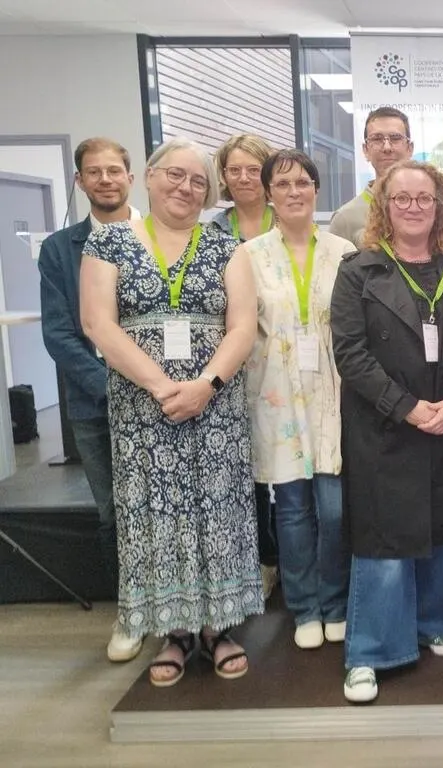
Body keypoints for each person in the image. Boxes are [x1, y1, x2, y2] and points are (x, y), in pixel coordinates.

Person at [80, 137, 262, 687]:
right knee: (156, 517)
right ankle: (174, 633)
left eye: (198, 180)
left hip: (215, 409)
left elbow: (242, 327)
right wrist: (162, 386)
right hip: (143, 412)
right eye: (175, 175)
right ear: (150, 177)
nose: (186, 187)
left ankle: (217, 627)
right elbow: (98, 323)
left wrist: (205, 385)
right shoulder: (109, 243)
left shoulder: (226, 247)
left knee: (218, 512)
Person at [331, 160, 443, 704]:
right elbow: (351, 354)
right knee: (384, 539)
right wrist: (407, 407)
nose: (414, 207)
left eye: (424, 198)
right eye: (402, 198)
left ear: (440, 206)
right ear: (384, 208)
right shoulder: (358, 272)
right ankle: (371, 651)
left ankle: (437, 622)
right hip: (383, 426)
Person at [245, 149, 356, 650]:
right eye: (283, 183)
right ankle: (305, 607)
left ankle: (336, 603)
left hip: (333, 394)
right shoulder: (248, 257)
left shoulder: (343, 251)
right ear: (269, 193)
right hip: (278, 395)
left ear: (316, 190)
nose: (294, 191)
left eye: (303, 182)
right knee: (291, 510)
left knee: (333, 510)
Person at [38, 137, 142, 663]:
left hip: (166, 401)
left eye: (114, 170)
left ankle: (179, 607)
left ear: (130, 176)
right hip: (96, 404)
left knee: (169, 507)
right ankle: (131, 613)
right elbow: (60, 334)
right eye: (94, 172)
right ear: (79, 181)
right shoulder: (60, 249)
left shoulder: (159, 235)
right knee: (114, 513)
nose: (105, 180)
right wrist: (112, 387)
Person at [209, 132, 279, 601]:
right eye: (234, 170)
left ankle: (284, 558)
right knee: (246, 467)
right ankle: (259, 559)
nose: (244, 178)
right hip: (231, 362)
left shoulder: (290, 218)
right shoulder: (212, 232)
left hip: (283, 360)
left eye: (254, 169)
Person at [328, 107, 413, 246]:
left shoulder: (430, 209)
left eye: (395, 138)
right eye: (377, 139)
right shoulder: (346, 219)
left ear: (410, 148)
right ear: (366, 150)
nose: (387, 147)